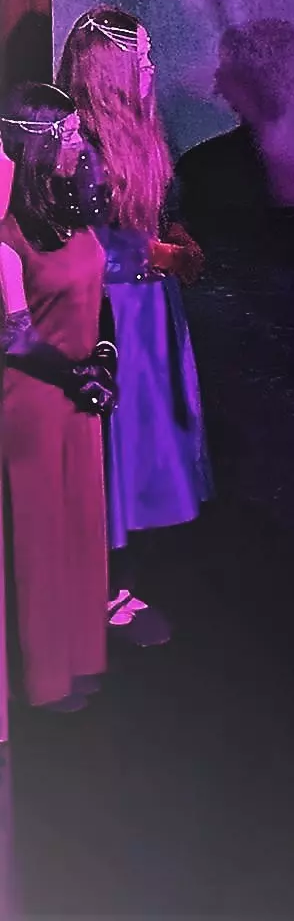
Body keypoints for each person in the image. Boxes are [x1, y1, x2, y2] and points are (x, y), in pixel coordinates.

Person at [58, 6, 210, 645]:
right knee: (115, 448)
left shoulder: (144, 132)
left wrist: (173, 235)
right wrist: (154, 253)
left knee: (147, 445)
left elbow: (152, 212)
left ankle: (119, 577)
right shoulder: (78, 146)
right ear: (109, 70)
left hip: (151, 312)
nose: (151, 67)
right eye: (141, 58)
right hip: (112, 316)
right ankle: (95, 590)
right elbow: (79, 243)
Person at [1, 84, 118, 714]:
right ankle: (47, 677)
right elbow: (14, 340)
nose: (81, 142)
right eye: (69, 134)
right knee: (42, 537)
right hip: (37, 400)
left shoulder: (70, 210)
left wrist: (106, 359)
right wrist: (80, 375)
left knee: (81, 526)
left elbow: (100, 296)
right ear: (38, 142)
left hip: (80, 392)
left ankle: (82, 655)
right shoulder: (9, 234)